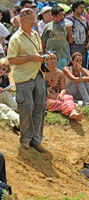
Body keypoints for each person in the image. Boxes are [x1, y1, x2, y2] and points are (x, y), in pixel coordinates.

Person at [7, 8, 47, 152]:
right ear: (22, 19)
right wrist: (30, 58)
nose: (33, 22)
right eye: (30, 19)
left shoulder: (36, 34)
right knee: (27, 107)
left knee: (39, 107)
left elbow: (39, 51)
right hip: (23, 78)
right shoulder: (15, 38)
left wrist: (43, 59)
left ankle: (36, 140)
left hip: (38, 74)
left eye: (34, 19)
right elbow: (11, 59)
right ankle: (25, 138)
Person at [45, 52, 83, 121]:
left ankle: (73, 112)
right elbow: (40, 89)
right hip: (45, 96)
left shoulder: (60, 73)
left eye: (55, 59)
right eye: (51, 59)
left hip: (57, 95)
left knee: (68, 97)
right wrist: (49, 94)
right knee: (54, 102)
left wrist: (61, 94)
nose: (53, 60)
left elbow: (63, 88)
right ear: (46, 60)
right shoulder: (42, 73)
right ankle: (71, 110)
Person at [41, 6, 68, 70]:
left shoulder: (65, 27)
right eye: (60, 15)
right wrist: (43, 56)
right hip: (51, 57)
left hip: (62, 56)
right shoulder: (48, 27)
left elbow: (68, 41)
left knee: (61, 76)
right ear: (54, 15)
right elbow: (43, 42)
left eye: (63, 15)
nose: (62, 17)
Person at [65, 0, 89, 68]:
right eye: (80, 7)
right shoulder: (69, 18)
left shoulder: (84, 19)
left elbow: (87, 32)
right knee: (74, 64)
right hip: (74, 45)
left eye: (83, 8)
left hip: (84, 46)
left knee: (83, 63)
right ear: (75, 8)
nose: (82, 9)